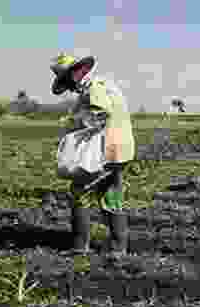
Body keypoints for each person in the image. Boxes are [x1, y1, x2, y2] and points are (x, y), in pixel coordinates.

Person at [50, 53, 136, 256]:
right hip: (119, 149)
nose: (69, 87)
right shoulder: (102, 84)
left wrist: (73, 123)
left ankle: (80, 246)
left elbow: (100, 113)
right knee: (110, 193)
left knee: (79, 190)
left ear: (76, 73)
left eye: (67, 80)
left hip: (107, 149)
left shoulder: (94, 87)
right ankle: (118, 247)